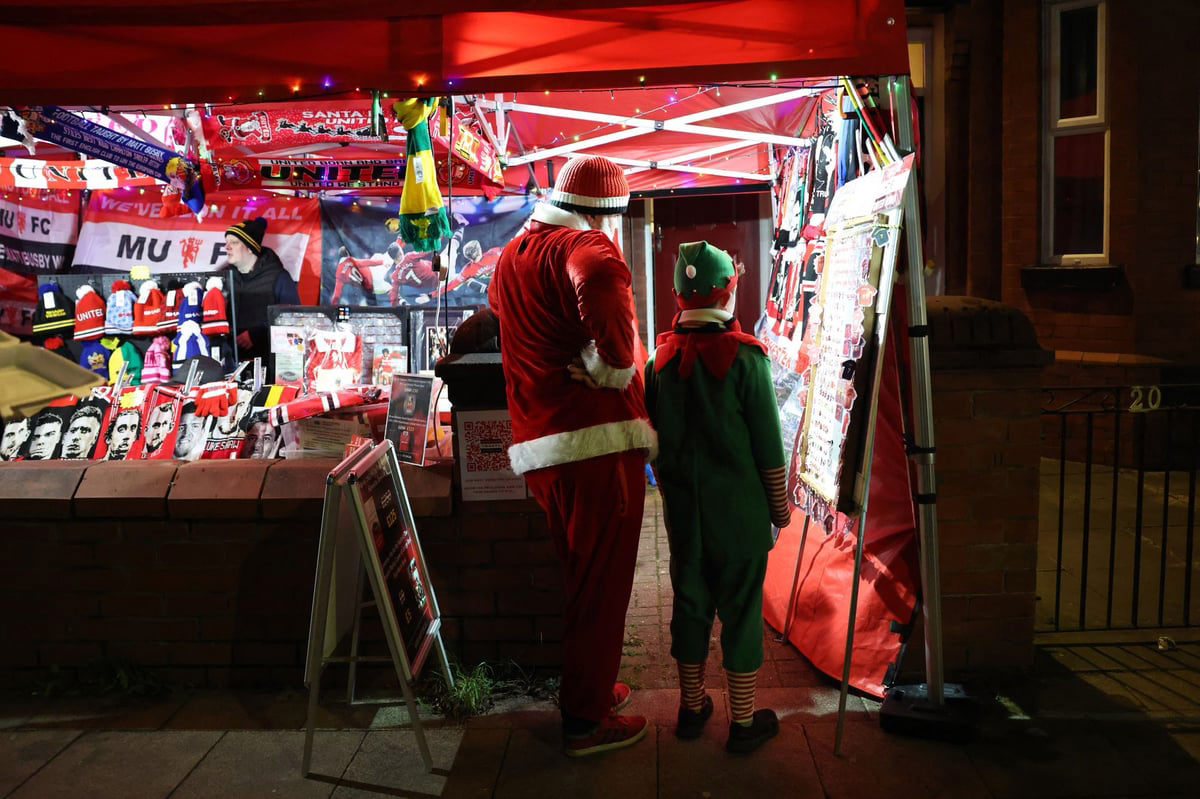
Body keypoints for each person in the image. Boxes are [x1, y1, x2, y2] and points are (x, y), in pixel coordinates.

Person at [488, 154, 657, 758]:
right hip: (596, 442)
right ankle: (586, 720)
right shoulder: (588, 249)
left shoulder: (513, 254)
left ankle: (590, 686)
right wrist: (609, 366)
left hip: (544, 445)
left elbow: (501, 310)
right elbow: (611, 321)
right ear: (602, 214)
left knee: (583, 575)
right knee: (602, 582)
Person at [644, 241, 791, 754]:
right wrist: (781, 510)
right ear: (729, 292)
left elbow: (652, 442)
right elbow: (769, 449)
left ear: (678, 298)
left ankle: (691, 708)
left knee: (690, 604)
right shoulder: (749, 361)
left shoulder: (657, 364)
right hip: (743, 518)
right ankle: (743, 722)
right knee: (743, 611)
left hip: (685, 520)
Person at [225, 217, 302, 364]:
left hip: (267, 362)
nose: (227, 247)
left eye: (234, 243)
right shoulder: (224, 277)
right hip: (230, 363)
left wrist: (256, 335)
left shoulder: (279, 277)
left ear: (250, 247)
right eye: (227, 242)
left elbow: (293, 317)